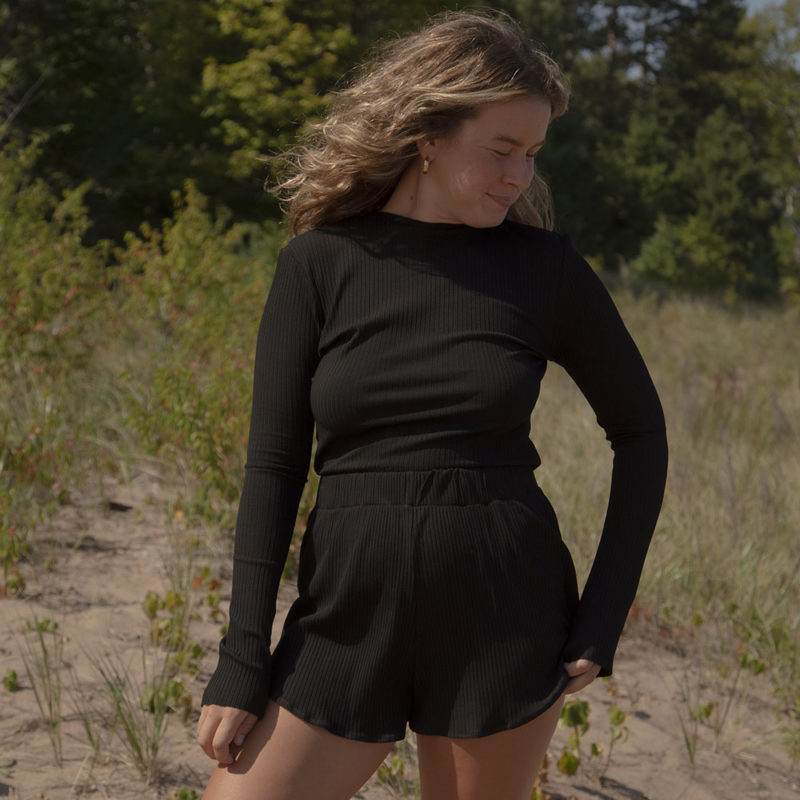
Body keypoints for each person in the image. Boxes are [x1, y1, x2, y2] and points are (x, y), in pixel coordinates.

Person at [196, 10, 668, 800]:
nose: (520, 176)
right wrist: (244, 657)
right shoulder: (320, 263)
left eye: (533, 154)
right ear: (428, 137)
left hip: (503, 616)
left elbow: (641, 433)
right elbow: (274, 466)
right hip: (345, 617)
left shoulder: (542, 270)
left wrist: (603, 613)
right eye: (501, 150)